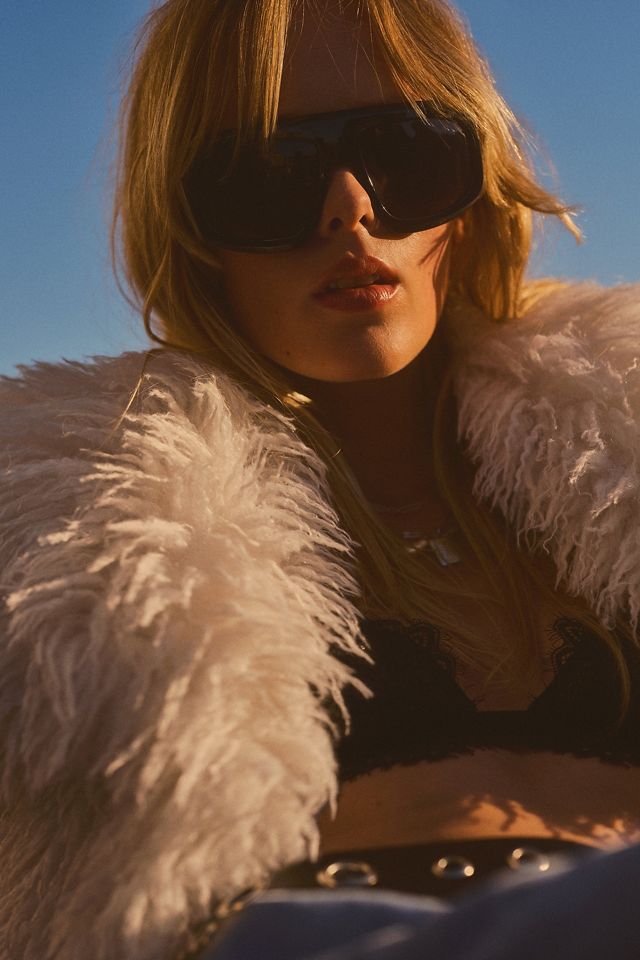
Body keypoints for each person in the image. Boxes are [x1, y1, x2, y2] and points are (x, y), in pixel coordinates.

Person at [1, 0, 639, 958]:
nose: (350, 207)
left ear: (474, 186)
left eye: (406, 151)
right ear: (193, 227)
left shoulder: (619, 452)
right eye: (270, 173)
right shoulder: (61, 558)